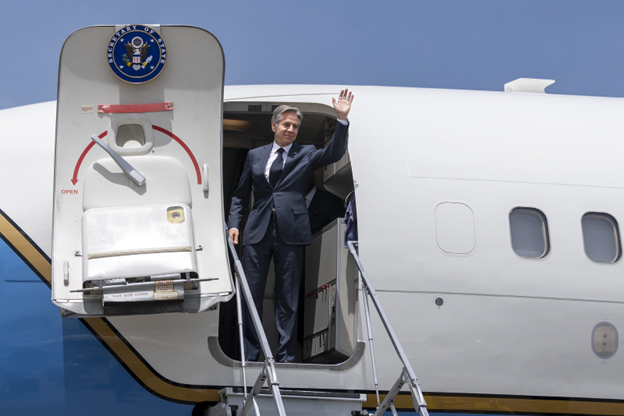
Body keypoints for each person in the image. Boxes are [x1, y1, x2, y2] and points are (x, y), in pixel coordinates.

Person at [228, 89, 354, 362]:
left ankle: (285, 357)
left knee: (287, 300)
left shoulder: (306, 153)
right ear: (274, 126)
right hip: (257, 232)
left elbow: (334, 152)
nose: (291, 129)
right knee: (251, 296)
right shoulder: (255, 156)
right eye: (286, 124)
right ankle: (250, 355)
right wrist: (234, 224)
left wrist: (341, 120)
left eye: (295, 126)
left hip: (291, 232)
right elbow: (240, 195)